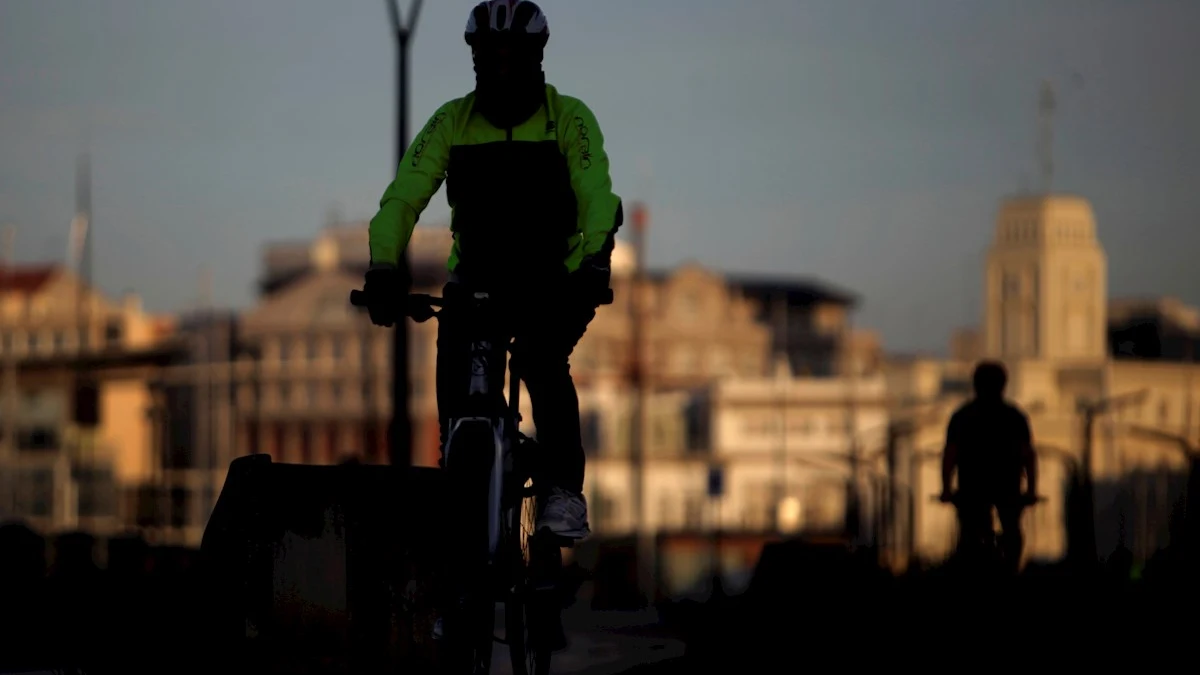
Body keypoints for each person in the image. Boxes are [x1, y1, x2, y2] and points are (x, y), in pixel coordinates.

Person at [362, 0, 621, 541]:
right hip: (475, 280)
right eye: (487, 61)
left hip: (555, 277)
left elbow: (596, 194)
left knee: (540, 359)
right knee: (455, 375)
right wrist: (385, 266)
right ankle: (461, 465)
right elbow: (403, 199)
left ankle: (562, 492)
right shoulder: (451, 121)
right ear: (474, 62)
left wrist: (596, 261)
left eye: (513, 60)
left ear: (538, 60)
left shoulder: (569, 117)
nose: (500, 72)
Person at [939, 361, 1039, 570]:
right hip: (1007, 488)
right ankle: (1011, 566)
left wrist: (947, 489)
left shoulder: (962, 416)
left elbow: (950, 456)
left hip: (972, 489)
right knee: (1011, 532)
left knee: (970, 535)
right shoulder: (1015, 416)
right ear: (1003, 385)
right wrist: (1030, 490)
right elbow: (1028, 456)